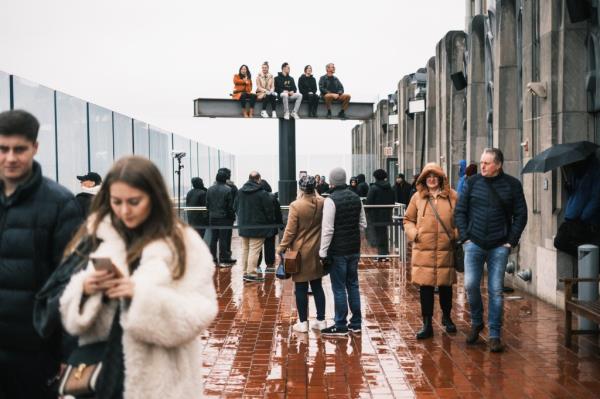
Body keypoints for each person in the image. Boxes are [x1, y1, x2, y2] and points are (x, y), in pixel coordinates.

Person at [59, 156, 218, 398]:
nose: (124, 211)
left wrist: (140, 296)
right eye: (116, 202)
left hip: (162, 382)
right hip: (101, 373)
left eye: (134, 201)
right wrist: (85, 290)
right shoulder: (98, 237)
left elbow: (200, 312)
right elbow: (68, 312)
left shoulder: (182, 244)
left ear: (154, 198)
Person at [0, 109, 83, 399]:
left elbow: (72, 283)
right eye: (2, 148)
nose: (10, 157)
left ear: (35, 148)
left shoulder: (60, 204)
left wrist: (70, 353)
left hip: (33, 353)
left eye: (19, 149)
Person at [454, 148, 527, 353]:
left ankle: (494, 335)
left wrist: (511, 241)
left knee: (496, 291)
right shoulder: (472, 182)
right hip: (474, 243)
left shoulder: (513, 185)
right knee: (470, 285)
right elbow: (460, 211)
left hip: (499, 246)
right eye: (482, 162)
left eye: (487, 163)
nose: (482, 166)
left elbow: (521, 215)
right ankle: (477, 322)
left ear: (498, 165)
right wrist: (465, 238)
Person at [404, 163, 458, 339]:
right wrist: (415, 234)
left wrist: (455, 234)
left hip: (445, 248)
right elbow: (408, 219)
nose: (432, 179)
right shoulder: (417, 198)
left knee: (445, 286)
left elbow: (461, 219)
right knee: (425, 288)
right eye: (428, 176)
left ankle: (447, 317)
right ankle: (427, 323)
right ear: (423, 179)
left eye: (435, 176)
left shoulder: (452, 196)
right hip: (423, 249)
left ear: (441, 178)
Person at [319, 167, 367, 336]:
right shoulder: (356, 198)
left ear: (332, 182)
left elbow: (328, 229)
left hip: (338, 250)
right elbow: (363, 224)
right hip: (354, 249)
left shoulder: (331, 200)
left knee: (339, 287)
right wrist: (357, 240)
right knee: (353, 285)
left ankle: (340, 324)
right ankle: (356, 323)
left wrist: (322, 252)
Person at [276, 176, 327, 332]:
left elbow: (290, 231)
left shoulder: (296, 205)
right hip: (317, 250)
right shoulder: (322, 202)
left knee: (300, 287)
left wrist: (281, 248)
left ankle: (303, 322)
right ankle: (321, 320)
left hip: (300, 251)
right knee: (317, 286)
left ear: (301, 188)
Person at [234, 171, 274, 282]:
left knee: (245, 249)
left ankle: (245, 272)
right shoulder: (262, 193)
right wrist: (269, 222)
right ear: (258, 179)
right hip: (258, 227)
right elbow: (268, 210)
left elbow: (235, 206)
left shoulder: (240, 191)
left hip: (243, 226)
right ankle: (251, 274)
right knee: (254, 250)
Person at [207, 169, 236, 266]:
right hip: (224, 218)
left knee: (213, 239)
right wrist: (232, 216)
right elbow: (230, 206)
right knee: (223, 238)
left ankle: (213, 259)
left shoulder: (210, 189)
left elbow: (207, 205)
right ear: (225, 179)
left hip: (212, 217)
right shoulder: (228, 189)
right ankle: (224, 258)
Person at [366, 169, 395, 261]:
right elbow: (392, 200)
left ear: (375, 177)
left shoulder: (373, 188)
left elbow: (369, 202)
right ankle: (384, 254)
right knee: (384, 234)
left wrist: (367, 211)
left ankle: (381, 255)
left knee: (378, 235)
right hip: (386, 214)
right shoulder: (389, 187)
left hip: (375, 215)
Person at [256, 179, 283, 272]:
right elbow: (278, 212)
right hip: (271, 225)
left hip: (258, 226)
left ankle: (257, 266)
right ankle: (270, 265)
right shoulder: (272, 197)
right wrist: (280, 224)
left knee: (257, 247)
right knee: (270, 246)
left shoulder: (256, 197)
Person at [219, 167, 238, 262]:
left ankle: (217, 257)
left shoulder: (212, 188)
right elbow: (235, 202)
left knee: (216, 238)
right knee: (226, 237)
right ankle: (226, 256)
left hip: (214, 217)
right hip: (227, 217)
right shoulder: (232, 188)